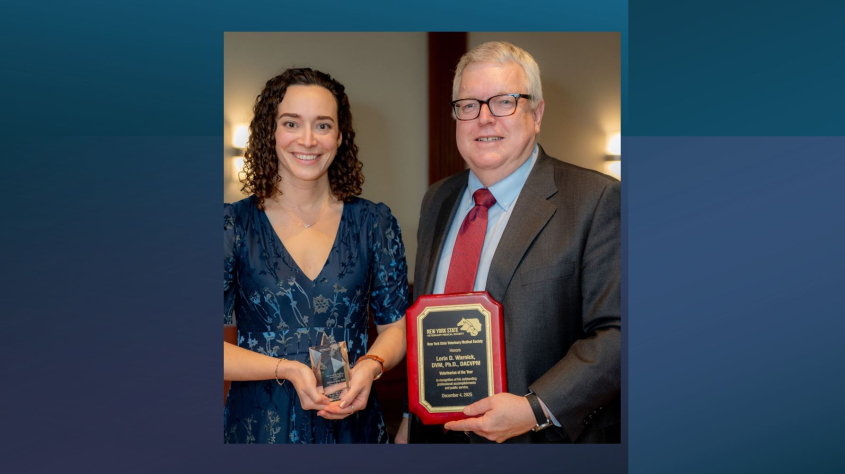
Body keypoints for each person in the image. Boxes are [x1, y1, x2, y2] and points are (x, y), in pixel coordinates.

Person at [402, 41, 620, 444]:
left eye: (503, 102)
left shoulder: (595, 200)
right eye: (468, 105)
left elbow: (618, 333)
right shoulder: (437, 199)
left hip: (538, 443)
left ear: (536, 114)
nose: (484, 119)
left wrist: (534, 409)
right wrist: (407, 418)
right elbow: (425, 320)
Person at [223, 68, 408, 444]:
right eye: (291, 123)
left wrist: (371, 366)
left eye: (322, 126)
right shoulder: (231, 226)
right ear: (270, 133)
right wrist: (287, 369)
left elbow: (396, 329)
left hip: (352, 425)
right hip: (259, 428)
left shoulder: (374, 223)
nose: (307, 140)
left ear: (340, 137)